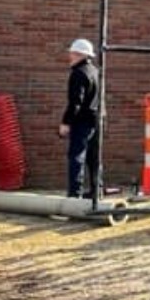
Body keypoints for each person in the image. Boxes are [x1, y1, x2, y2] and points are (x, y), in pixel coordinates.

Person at [60, 38, 100, 198]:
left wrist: (66, 122)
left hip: (82, 121)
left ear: (78, 54)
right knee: (94, 158)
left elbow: (75, 102)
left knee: (76, 157)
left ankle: (74, 195)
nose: (69, 56)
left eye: (72, 53)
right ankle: (96, 191)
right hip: (97, 120)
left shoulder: (78, 73)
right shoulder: (95, 71)